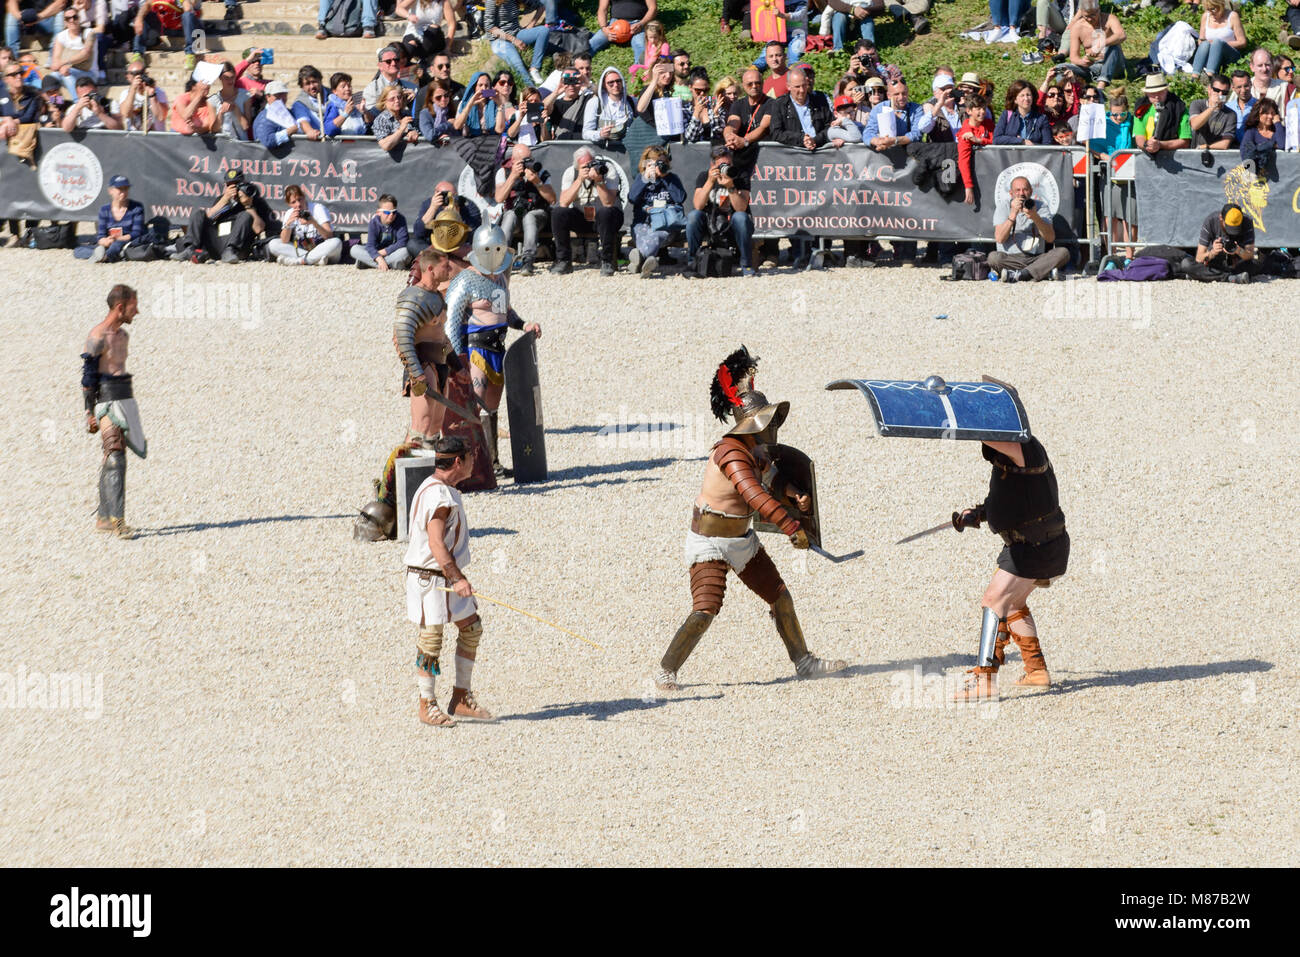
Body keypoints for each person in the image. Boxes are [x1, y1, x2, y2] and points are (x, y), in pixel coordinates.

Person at [655, 347, 845, 691]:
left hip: (741, 540)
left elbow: (769, 480)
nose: (774, 428)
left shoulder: (754, 451)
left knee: (780, 597)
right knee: (705, 610)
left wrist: (792, 494)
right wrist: (790, 527)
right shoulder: (730, 452)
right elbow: (753, 494)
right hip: (710, 541)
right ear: (755, 425)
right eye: (768, 422)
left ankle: (804, 661)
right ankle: (667, 670)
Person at [950, 433, 1069, 700]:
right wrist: (979, 514)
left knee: (994, 601)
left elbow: (1003, 442)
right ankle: (1036, 671)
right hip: (1033, 545)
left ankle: (984, 679)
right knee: (1013, 604)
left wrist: (963, 424)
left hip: (1036, 547)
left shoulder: (1024, 448)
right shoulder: (1011, 458)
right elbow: (1016, 497)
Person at [404, 435, 495, 726]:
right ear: (458, 461)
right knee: (430, 639)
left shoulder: (445, 489)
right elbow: (435, 543)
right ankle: (426, 703)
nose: (473, 462)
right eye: (469, 457)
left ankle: (460, 696)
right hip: (432, 578)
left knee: (471, 628)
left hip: (446, 574)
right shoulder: (438, 496)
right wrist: (456, 578)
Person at [445, 225, 543, 477]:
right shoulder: (465, 280)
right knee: (473, 405)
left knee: (491, 408)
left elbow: (505, 311)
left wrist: (523, 325)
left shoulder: (499, 277)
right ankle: (470, 465)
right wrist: (458, 361)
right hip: (475, 347)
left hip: (499, 349)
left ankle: (492, 463)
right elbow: (452, 321)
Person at [81, 284, 146, 539]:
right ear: (120, 307)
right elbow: (88, 379)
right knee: (115, 456)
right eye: (133, 306)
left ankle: (104, 517)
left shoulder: (123, 336)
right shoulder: (97, 336)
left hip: (125, 396)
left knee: (114, 457)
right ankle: (119, 522)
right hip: (106, 400)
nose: (137, 311)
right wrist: (88, 413)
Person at [550, 145, 623, 276]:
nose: (589, 168)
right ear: (577, 167)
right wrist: (579, 179)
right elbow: (564, 202)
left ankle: (607, 261)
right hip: (583, 216)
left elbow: (608, 202)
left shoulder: (607, 170)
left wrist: (599, 180)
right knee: (558, 213)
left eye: (591, 164)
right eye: (584, 166)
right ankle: (563, 260)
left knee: (606, 212)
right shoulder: (570, 173)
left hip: (608, 217)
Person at [687, 145, 755, 276]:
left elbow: (741, 208)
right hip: (711, 224)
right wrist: (710, 182)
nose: (725, 168)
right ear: (712, 165)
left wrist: (731, 186)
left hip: (732, 225)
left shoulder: (740, 176)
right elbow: (698, 205)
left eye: (728, 164)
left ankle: (746, 265)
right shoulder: (704, 176)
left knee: (741, 217)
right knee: (693, 216)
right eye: (721, 165)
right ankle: (692, 262)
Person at [989, 175, 1068, 282]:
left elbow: (1050, 238)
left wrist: (1035, 216)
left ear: (1031, 191)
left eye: (1025, 189)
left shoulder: (1040, 206)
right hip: (1010, 257)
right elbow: (999, 238)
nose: (1021, 193)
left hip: (1035, 258)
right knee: (993, 257)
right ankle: (1038, 272)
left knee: (1063, 253)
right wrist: (1012, 214)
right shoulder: (1004, 206)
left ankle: (1020, 274)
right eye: (1017, 190)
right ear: (1011, 193)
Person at [494, 142, 555, 276]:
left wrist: (537, 182)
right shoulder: (504, 171)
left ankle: (528, 260)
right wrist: (513, 177)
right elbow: (499, 198)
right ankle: (500, 259)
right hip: (515, 212)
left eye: (530, 159)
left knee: (530, 217)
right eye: (524, 161)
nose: (528, 163)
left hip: (537, 214)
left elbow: (552, 199)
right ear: (513, 160)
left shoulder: (541, 172)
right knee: (509, 216)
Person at [627, 144, 686, 278]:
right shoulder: (642, 178)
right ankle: (648, 262)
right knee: (643, 234)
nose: (661, 165)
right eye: (657, 163)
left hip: (666, 224)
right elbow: (632, 198)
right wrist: (645, 179)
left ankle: (639, 259)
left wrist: (665, 177)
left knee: (656, 235)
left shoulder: (672, 179)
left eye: (663, 163)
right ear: (647, 164)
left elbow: (680, 198)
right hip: (643, 223)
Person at [266, 184, 341, 266]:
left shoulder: (317, 208)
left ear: (304, 197)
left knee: (336, 242)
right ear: (289, 204)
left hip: (322, 248)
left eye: (299, 199)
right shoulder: (290, 213)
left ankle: (299, 261)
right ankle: (314, 260)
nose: (298, 204)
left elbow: (329, 236)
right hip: (303, 251)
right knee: (273, 244)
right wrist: (288, 224)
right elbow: (284, 241)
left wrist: (314, 222)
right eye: (293, 202)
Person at [75, 174, 142, 262]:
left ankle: (105, 257)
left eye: (126, 189)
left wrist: (118, 239)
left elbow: (137, 233)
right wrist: (104, 241)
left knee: (116, 245)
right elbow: (101, 235)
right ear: (110, 191)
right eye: (120, 189)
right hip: (109, 243)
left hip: (128, 242)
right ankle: (106, 254)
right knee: (77, 250)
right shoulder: (104, 210)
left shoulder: (136, 208)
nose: (123, 192)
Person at [484, 0, 549, 86]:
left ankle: (534, 68)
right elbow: (490, 27)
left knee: (543, 30)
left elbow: (541, 6)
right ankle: (531, 89)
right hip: (499, 39)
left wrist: (531, 25)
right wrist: (513, 40)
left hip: (517, 32)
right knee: (517, 64)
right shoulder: (492, 1)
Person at [410, 179, 480, 257]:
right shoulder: (428, 204)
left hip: (458, 247)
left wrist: (457, 215)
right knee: (412, 244)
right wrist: (432, 208)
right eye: (445, 194)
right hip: (435, 247)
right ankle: (442, 258)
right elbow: (418, 233)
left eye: (452, 195)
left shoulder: (467, 205)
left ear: (456, 194)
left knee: (475, 248)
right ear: (436, 194)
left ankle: (438, 259)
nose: (448, 198)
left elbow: (474, 234)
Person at [769, 65, 831, 149]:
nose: (802, 90)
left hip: (820, 150)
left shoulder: (820, 100)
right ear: (788, 86)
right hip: (794, 154)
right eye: (797, 87)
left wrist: (815, 140)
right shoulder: (779, 104)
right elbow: (776, 133)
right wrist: (801, 138)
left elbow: (830, 125)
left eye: (804, 85)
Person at [1193, 202, 1255, 282]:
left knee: (1257, 262)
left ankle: (1210, 276)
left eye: (1236, 228)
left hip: (1237, 263)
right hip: (1215, 262)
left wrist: (1238, 250)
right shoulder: (1210, 221)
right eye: (1229, 227)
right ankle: (1231, 278)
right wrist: (1212, 252)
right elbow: (1199, 258)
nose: (1231, 233)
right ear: (1221, 218)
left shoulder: (1247, 221)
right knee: (1187, 264)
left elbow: (1250, 255)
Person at [864, 76, 932, 149]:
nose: (901, 97)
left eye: (904, 93)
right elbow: (868, 132)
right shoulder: (879, 109)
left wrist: (895, 140)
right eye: (896, 94)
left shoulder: (916, 109)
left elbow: (916, 134)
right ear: (889, 95)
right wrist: (877, 142)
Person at [1068, 0, 1125, 87]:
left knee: (1114, 45)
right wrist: (1082, 62)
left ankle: (1102, 83)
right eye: (1086, 16)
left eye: (1093, 15)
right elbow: (1073, 57)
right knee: (1061, 68)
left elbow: (1121, 35)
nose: (1090, 19)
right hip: (1093, 66)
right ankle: (1075, 84)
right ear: (1081, 12)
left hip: (1114, 65)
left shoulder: (1110, 19)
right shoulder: (1077, 27)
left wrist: (1101, 44)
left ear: (1099, 9)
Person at [1133, 73, 1190, 156]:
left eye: (1160, 92)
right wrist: (1147, 145)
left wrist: (1160, 145)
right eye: (1152, 93)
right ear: (1147, 94)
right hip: (1146, 158)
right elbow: (1139, 137)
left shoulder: (1180, 108)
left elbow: (1185, 141)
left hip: (1174, 158)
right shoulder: (1141, 109)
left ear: (1166, 91)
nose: (1156, 96)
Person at [253, 79, 321, 147]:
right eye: (278, 95)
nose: (282, 98)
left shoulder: (290, 113)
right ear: (268, 97)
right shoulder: (264, 117)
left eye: (284, 95)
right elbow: (267, 140)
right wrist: (288, 132)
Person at [354, 194, 411, 271]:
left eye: (394, 212)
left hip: (392, 252)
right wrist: (379, 258)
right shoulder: (373, 222)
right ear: (378, 212)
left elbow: (402, 242)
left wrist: (384, 252)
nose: (391, 215)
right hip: (378, 252)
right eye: (387, 212)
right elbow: (370, 245)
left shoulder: (401, 219)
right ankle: (390, 264)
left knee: (405, 252)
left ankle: (367, 263)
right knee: (354, 249)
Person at [588, 0, 656, 64]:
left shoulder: (639, 25)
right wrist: (604, 28)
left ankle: (641, 71)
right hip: (615, 25)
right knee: (593, 42)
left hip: (637, 24)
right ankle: (579, 63)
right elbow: (602, 10)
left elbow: (653, 8)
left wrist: (641, 24)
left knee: (640, 46)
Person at [1191, 0, 1246, 77]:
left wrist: (1221, 44)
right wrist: (1206, 43)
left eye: (1213, 9)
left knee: (1217, 42)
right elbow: (1201, 39)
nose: (1211, 13)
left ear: (1221, 5)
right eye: (1208, 9)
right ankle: (1195, 75)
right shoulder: (1205, 16)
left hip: (1230, 55)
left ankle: (1210, 75)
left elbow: (1242, 42)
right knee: (1205, 44)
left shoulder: (1233, 16)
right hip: (1210, 54)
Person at [49, 7, 96, 96]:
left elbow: (85, 54)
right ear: (65, 22)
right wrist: (64, 66)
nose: (72, 20)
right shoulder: (60, 36)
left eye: (75, 17)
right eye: (68, 18)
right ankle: (57, 104)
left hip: (89, 73)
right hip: (66, 72)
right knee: (51, 79)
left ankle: (76, 103)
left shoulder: (89, 33)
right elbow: (55, 63)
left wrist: (65, 64)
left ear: (79, 18)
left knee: (67, 75)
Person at [957, 95, 994, 206]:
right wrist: (968, 186)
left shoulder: (988, 124)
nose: (982, 112)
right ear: (969, 111)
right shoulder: (965, 134)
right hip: (978, 176)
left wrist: (979, 140)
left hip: (992, 171)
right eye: (978, 109)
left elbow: (996, 141)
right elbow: (963, 161)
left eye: (983, 108)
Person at [363, 44, 416, 119]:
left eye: (396, 60)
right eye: (388, 61)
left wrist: (415, 101)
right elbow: (370, 118)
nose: (393, 63)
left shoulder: (411, 87)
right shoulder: (372, 89)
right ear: (380, 66)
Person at [583, 65, 632, 145]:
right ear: (604, 85)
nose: (615, 85)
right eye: (611, 83)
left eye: (618, 81)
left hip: (627, 149)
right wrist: (600, 134)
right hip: (604, 151)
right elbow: (585, 133)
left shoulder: (631, 102)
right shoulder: (594, 103)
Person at [992, 79, 1051, 145]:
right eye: (1022, 95)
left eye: (1028, 95)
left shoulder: (1042, 119)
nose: (1026, 98)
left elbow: (1047, 144)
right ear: (1015, 100)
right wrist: (1021, 141)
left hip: (1034, 154)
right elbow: (996, 139)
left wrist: (1033, 145)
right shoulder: (1006, 115)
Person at [1189, 73, 1238, 150]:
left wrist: (1206, 147)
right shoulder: (1197, 104)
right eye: (1216, 90)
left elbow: (1225, 144)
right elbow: (1195, 125)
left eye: (1224, 92)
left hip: (1218, 156)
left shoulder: (1231, 115)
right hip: (1195, 155)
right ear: (1209, 89)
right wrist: (1212, 107)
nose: (1220, 94)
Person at [1239, 97, 1285, 172]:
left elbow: (1282, 145)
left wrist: (1277, 123)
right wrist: (1271, 145)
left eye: (1273, 113)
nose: (1270, 116)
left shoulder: (1279, 130)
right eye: (1266, 113)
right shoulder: (1251, 132)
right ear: (1258, 114)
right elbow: (1245, 151)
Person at [207, 60, 249, 139]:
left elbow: (246, 126)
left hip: (241, 143)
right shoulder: (212, 100)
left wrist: (236, 109)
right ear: (220, 78)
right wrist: (220, 113)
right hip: (223, 145)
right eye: (226, 78)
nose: (230, 81)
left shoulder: (245, 96)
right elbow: (213, 130)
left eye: (232, 77)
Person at [455, 70, 503, 136]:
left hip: (491, 142)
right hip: (471, 142)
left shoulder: (495, 103)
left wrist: (500, 105)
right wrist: (469, 105)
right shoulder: (464, 104)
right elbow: (457, 126)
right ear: (474, 87)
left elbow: (499, 130)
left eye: (486, 85)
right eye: (480, 85)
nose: (483, 88)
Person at [372, 83, 420, 151]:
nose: (397, 101)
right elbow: (385, 146)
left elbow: (417, 130)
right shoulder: (381, 120)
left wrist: (414, 132)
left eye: (399, 97)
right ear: (384, 101)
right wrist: (401, 129)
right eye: (392, 99)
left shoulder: (406, 114)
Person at [324, 72, 368, 136]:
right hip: (342, 145)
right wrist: (345, 113)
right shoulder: (333, 106)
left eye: (349, 86)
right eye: (343, 86)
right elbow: (329, 130)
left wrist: (365, 112)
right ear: (335, 91)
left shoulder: (357, 104)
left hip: (360, 144)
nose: (347, 89)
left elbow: (369, 127)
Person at [291, 64, 326, 135]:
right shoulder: (299, 103)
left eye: (314, 82)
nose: (312, 86)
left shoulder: (334, 95)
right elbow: (303, 121)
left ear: (320, 80)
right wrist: (310, 131)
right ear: (302, 87)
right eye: (307, 84)